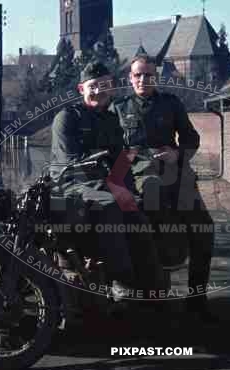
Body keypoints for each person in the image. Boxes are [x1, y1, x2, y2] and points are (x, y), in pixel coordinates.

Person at [110, 54, 215, 320]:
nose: (143, 80)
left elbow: (192, 137)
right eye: (138, 75)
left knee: (203, 229)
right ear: (130, 78)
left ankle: (197, 299)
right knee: (149, 229)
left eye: (148, 75)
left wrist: (177, 154)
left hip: (176, 175)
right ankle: (151, 294)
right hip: (139, 178)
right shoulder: (119, 108)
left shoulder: (171, 103)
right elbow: (110, 149)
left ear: (155, 77)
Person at [49, 60, 164, 300]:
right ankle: (120, 280)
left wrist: (131, 192)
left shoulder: (111, 121)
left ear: (112, 88)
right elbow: (73, 165)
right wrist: (114, 190)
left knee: (137, 213)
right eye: (93, 86)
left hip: (103, 186)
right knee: (111, 204)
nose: (99, 91)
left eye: (105, 85)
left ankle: (152, 286)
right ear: (82, 89)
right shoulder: (67, 118)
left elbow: (120, 163)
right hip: (70, 185)